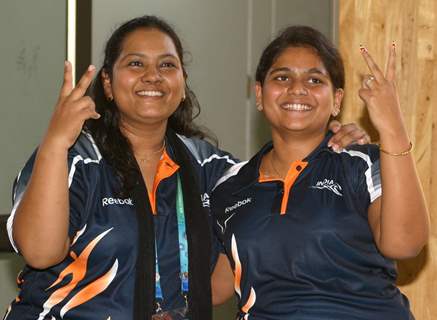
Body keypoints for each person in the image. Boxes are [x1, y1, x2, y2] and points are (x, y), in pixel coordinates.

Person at [3, 16, 369, 320]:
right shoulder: (75, 158)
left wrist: (333, 145)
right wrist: (54, 141)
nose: (152, 76)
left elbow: (284, 188)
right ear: (108, 84)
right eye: (135, 64)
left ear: (182, 84)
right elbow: (39, 252)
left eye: (167, 65)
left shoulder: (209, 168)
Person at [211, 26, 429, 320]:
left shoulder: (363, 164)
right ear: (260, 94)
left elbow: (405, 243)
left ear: (337, 100)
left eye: (315, 79)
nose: (297, 88)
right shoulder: (230, 187)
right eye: (282, 77)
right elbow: (216, 288)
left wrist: (392, 127)